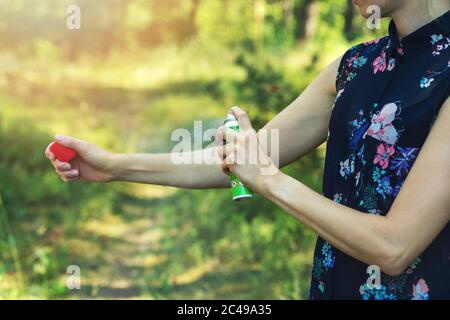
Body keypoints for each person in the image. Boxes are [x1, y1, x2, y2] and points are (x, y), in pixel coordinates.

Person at [45, 0, 450, 299]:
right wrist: (114, 165)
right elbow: (242, 161)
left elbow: (395, 247)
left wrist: (269, 181)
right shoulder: (356, 65)